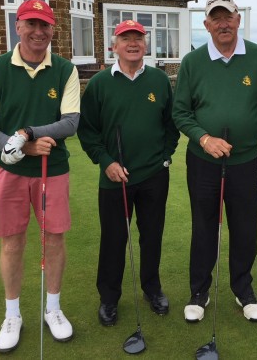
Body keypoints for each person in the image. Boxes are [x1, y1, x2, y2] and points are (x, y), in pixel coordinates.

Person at [0, 0, 80, 352]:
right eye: (31, 24)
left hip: (53, 170)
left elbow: (70, 122)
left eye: (44, 25)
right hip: (8, 170)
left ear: (52, 30)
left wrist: (28, 133)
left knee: (54, 240)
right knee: (12, 242)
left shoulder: (65, 70)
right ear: (17, 26)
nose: (38, 31)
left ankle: (53, 309)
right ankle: (12, 315)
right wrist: (18, 146)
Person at [172, 0, 257, 323]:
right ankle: (199, 292)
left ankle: (243, 289)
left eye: (228, 17)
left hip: (245, 161)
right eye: (216, 18)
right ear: (206, 25)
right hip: (203, 161)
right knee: (204, 227)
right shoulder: (193, 62)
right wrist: (204, 138)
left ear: (238, 20)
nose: (223, 24)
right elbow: (181, 111)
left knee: (245, 228)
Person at [78, 20, 180, 327]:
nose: (133, 43)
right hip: (114, 177)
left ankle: (152, 289)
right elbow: (88, 131)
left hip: (154, 175)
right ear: (114, 46)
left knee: (152, 236)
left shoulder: (159, 80)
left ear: (145, 45)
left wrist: (164, 156)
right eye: (126, 39)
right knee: (113, 239)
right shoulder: (99, 84)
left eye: (138, 38)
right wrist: (106, 162)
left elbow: (171, 124)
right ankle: (109, 298)